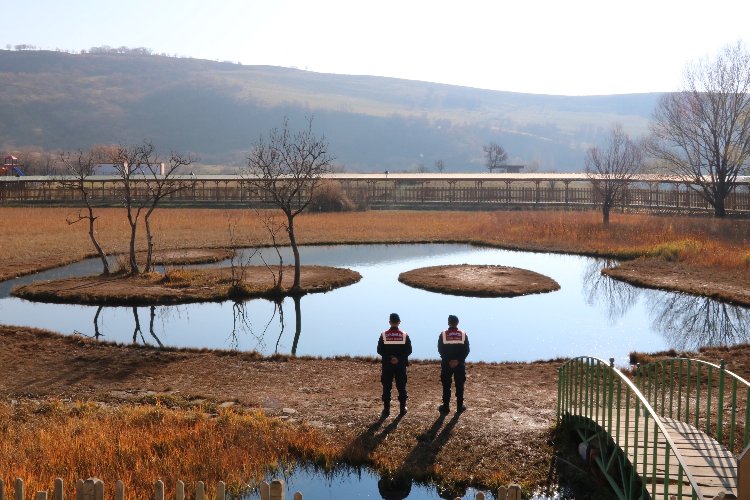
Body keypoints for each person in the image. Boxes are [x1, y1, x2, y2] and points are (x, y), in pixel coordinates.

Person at [377, 312, 412, 417]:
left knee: (387, 387)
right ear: (399, 322)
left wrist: (390, 358)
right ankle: (402, 409)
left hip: (387, 365)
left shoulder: (384, 335)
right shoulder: (404, 335)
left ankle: (386, 410)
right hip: (400, 365)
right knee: (401, 386)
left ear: (389, 322)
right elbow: (409, 350)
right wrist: (398, 359)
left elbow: (379, 350)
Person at [438, 314, 470, 413]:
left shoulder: (443, 334)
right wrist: (458, 361)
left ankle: (446, 407)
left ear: (448, 323)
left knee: (446, 385)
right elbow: (466, 350)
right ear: (457, 323)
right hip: (459, 365)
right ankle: (459, 407)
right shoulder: (463, 334)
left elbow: (440, 350)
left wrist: (449, 361)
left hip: (447, 364)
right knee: (459, 385)